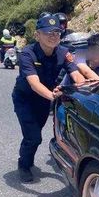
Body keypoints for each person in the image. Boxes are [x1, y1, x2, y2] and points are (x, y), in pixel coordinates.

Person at [12, 14, 85, 183]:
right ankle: (24, 164)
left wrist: (85, 89)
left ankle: (28, 156)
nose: (54, 36)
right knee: (34, 136)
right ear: (37, 35)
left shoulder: (64, 52)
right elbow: (33, 83)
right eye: (48, 33)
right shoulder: (27, 54)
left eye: (57, 33)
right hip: (25, 100)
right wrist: (53, 96)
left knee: (35, 133)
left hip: (44, 101)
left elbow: (76, 75)